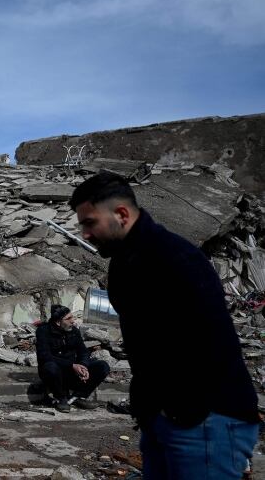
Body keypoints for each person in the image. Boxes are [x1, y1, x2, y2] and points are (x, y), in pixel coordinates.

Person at [70, 171, 259, 479]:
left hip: (204, 420)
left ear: (121, 214)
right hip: (165, 417)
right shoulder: (125, 263)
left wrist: (183, 412)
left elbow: (207, 343)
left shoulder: (173, 257)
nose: (85, 233)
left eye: (90, 223)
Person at [36, 304, 110, 412]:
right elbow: (45, 356)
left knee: (103, 366)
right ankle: (61, 398)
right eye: (69, 318)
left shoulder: (74, 331)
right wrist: (71, 365)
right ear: (58, 322)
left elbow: (83, 351)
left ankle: (77, 397)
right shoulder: (43, 331)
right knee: (50, 367)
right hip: (55, 374)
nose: (73, 321)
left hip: (72, 372)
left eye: (72, 317)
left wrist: (83, 366)